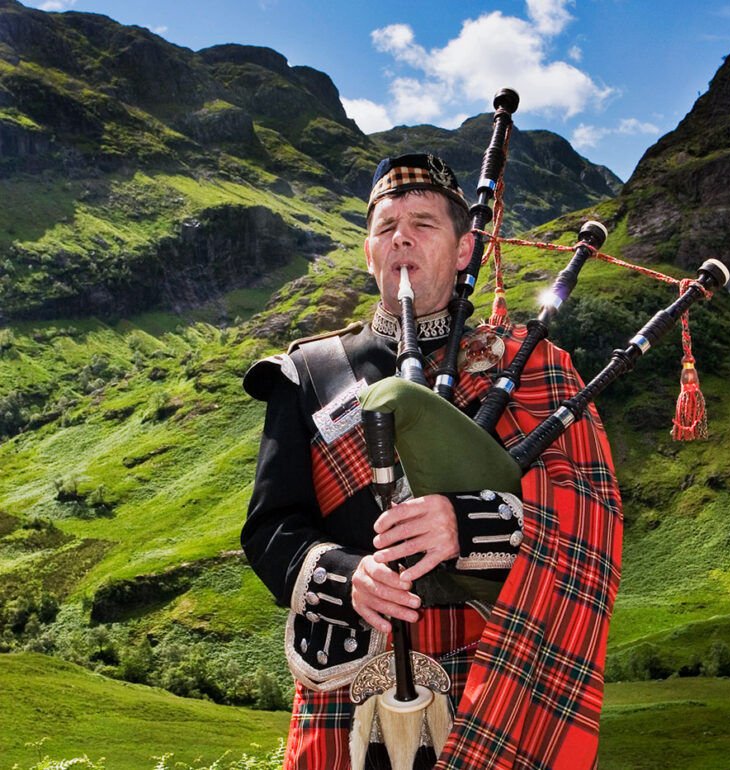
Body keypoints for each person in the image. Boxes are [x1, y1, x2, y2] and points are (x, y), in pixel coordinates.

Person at [241, 153, 623, 770]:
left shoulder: (529, 367)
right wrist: (347, 576)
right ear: (369, 253)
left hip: (490, 674)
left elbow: (589, 515)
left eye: (423, 223)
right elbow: (269, 528)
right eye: (386, 227)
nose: (402, 238)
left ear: (464, 248)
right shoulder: (308, 372)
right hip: (347, 679)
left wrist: (464, 525)